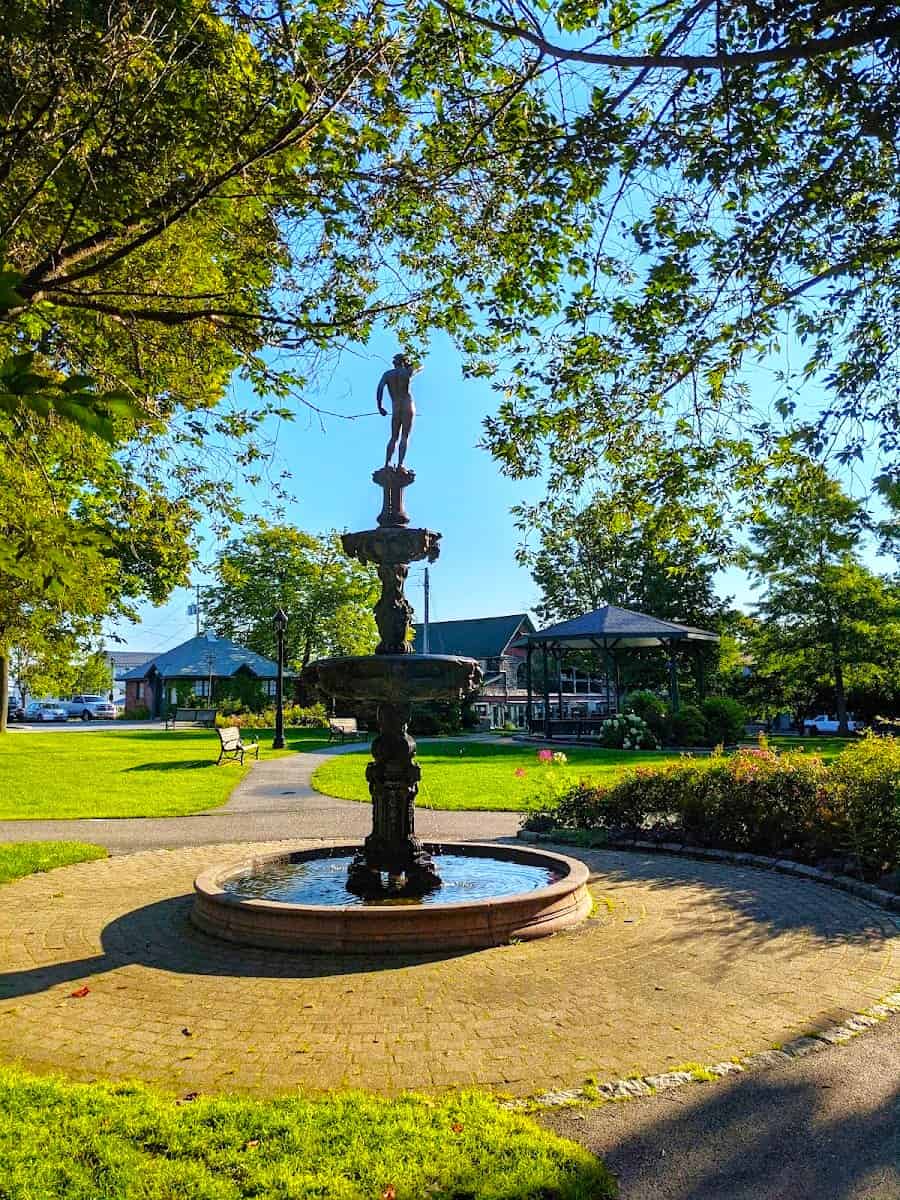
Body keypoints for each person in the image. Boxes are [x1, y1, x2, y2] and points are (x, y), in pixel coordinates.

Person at [377, 354, 415, 468]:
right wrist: (410, 364)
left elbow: (379, 389)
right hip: (407, 404)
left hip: (396, 406)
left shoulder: (388, 374)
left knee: (394, 437)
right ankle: (400, 464)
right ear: (403, 362)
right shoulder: (407, 371)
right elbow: (420, 366)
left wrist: (380, 406)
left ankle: (387, 463)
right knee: (404, 436)